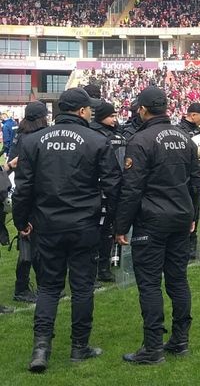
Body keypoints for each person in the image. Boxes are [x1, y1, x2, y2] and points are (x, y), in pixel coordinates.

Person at [13, 88, 121, 373]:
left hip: (47, 224)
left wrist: (21, 221)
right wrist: (111, 222)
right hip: (84, 225)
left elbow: (23, 188)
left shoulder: (34, 141)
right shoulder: (97, 140)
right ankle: (79, 346)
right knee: (82, 287)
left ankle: (41, 349)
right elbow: (113, 185)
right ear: (83, 111)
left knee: (49, 287)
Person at [114, 86, 200, 365]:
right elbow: (196, 181)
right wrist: (192, 216)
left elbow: (131, 188)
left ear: (142, 110)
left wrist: (120, 226)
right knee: (178, 280)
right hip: (180, 216)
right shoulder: (185, 138)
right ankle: (180, 339)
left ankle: (153, 347)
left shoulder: (140, 140)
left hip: (152, 220)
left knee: (150, 283)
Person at [7, 101, 50, 304]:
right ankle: (25, 287)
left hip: (23, 192)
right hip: (35, 194)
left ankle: (32, 286)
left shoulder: (19, 135)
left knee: (31, 243)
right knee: (33, 243)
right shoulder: (37, 138)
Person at [89, 100, 127, 283]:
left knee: (107, 229)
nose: (115, 119)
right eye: (112, 116)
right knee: (99, 229)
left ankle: (103, 267)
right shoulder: (95, 136)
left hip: (111, 187)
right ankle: (96, 268)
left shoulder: (115, 134)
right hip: (99, 189)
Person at [176, 103, 200, 258]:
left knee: (195, 212)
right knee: (186, 212)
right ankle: (183, 245)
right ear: (194, 115)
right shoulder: (179, 130)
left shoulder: (198, 131)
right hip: (184, 179)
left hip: (196, 177)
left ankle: (192, 245)